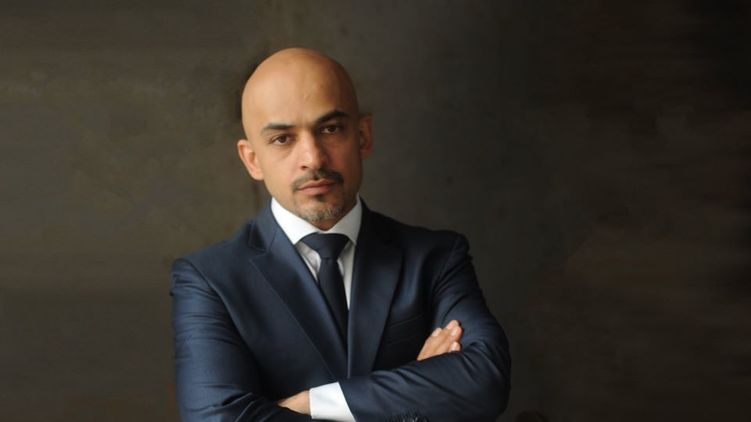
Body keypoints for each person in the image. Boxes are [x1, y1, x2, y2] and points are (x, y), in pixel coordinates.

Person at [170, 48, 511, 422]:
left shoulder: (436, 257)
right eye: (283, 139)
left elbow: (484, 381)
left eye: (330, 129)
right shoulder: (209, 281)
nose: (313, 158)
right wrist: (412, 392)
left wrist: (309, 404)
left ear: (363, 136)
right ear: (252, 159)